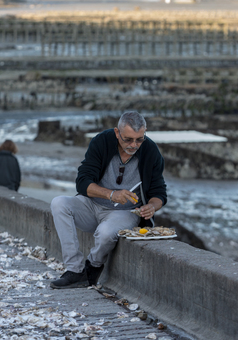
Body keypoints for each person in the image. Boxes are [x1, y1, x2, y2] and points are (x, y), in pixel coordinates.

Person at [50, 111, 167, 289]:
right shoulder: (101, 141)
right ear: (117, 132)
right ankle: (74, 270)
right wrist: (111, 194)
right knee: (58, 203)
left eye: (139, 139)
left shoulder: (150, 150)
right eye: (128, 139)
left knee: (105, 233)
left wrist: (151, 206)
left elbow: (159, 192)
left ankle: (92, 267)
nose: (134, 145)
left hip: (126, 213)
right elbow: (82, 182)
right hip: (92, 206)